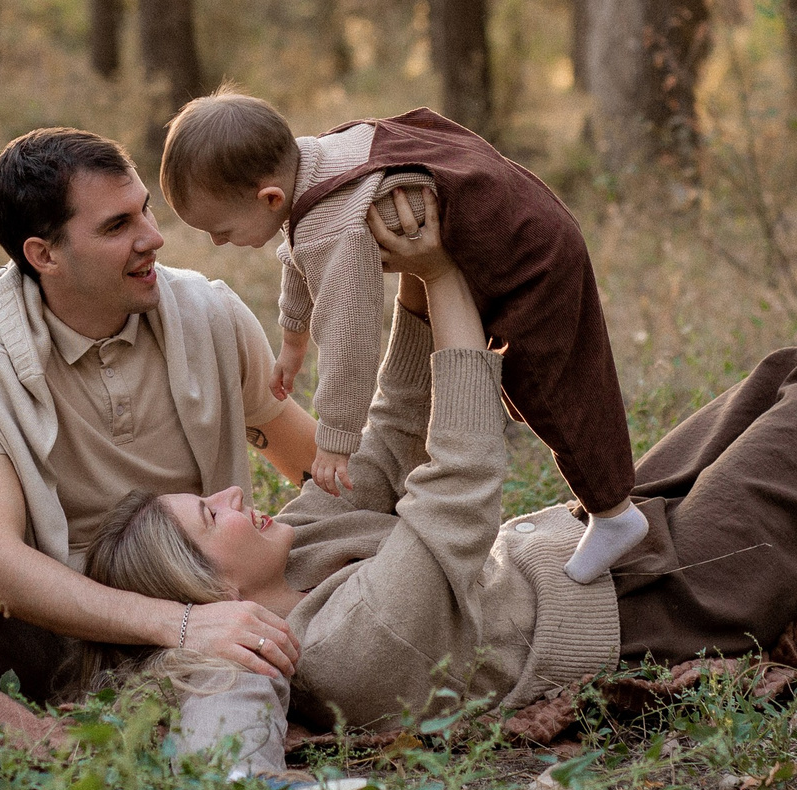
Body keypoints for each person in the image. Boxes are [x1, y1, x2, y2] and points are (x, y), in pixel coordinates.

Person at [86, 188, 797, 762]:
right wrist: (445, 288)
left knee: (780, 372)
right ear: (210, 587)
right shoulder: (346, 651)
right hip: (657, 601)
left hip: (599, 548)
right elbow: (455, 485)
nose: (235, 491)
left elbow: (391, 436)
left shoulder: (303, 549)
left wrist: (407, 283)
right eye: (208, 514)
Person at [0, 127, 323, 764]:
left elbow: (314, 463)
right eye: (117, 226)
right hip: (28, 638)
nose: (152, 238)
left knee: (232, 648)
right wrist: (179, 624)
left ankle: (228, 786)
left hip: (181, 626)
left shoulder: (208, 316)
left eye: (145, 210)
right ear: (44, 254)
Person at [159, 93, 647, 584]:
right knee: (537, 388)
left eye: (221, 230)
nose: (217, 242)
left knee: (553, 391)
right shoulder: (311, 163)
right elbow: (298, 250)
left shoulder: (331, 226)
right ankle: (606, 504)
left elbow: (349, 340)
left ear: (269, 198)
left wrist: (336, 439)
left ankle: (614, 514)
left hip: (526, 256)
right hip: (516, 213)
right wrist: (292, 340)